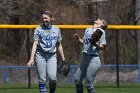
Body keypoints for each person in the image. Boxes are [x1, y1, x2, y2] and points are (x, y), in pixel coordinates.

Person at [27, 11, 65, 93]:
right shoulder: (38, 29)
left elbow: (59, 45)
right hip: (40, 55)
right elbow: (35, 44)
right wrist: (31, 59)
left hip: (52, 56)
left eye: (46, 18)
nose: (44, 20)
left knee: (53, 78)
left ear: (51, 18)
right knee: (42, 79)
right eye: (43, 18)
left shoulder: (57, 29)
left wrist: (63, 59)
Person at [73, 19, 107, 93]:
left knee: (89, 84)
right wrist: (78, 39)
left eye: (101, 19)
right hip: (84, 58)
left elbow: (102, 47)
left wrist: (95, 44)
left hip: (93, 59)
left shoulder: (101, 31)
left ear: (103, 24)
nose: (99, 19)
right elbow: (85, 43)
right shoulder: (87, 30)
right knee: (77, 80)